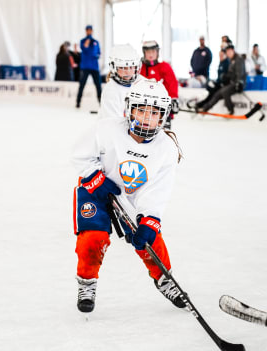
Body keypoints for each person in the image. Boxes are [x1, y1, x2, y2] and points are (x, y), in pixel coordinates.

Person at [71, 79, 184, 313]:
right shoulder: (106, 128)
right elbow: (80, 155)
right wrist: (95, 179)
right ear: (129, 109)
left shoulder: (167, 149)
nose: (147, 117)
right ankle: (87, 283)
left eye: (154, 113)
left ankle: (165, 279)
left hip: (130, 197)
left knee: (150, 238)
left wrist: (149, 219)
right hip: (96, 189)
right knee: (93, 237)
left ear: (163, 116)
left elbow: (157, 191)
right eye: (141, 110)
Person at [97, 44, 143, 120]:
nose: (128, 72)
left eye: (131, 67)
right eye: (123, 68)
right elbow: (113, 123)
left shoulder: (141, 82)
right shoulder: (111, 91)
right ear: (114, 68)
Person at [196, 44, 246, 115]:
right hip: (232, 83)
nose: (228, 54)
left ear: (233, 51)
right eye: (227, 52)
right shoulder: (231, 60)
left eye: (229, 52)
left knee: (224, 91)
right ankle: (205, 108)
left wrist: (239, 82)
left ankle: (230, 110)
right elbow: (231, 74)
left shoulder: (238, 59)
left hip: (238, 84)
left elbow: (240, 72)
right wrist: (225, 76)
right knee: (218, 94)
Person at [140, 40, 179, 129]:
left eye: (153, 51)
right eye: (148, 52)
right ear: (144, 53)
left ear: (157, 52)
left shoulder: (165, 67)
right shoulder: (140, 68)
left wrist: (173, 99)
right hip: (143, 108)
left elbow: (172, 83)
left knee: (164, 134)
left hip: (162, 108)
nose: (151, 54)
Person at [76, 25, 102, 108]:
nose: (89, 31)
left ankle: (101, 102)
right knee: (82, 85)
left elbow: (99, 53)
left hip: (94, 67)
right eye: (87, 30)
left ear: (92, 31)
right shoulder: (83, 41)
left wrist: (96, 56)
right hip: (85, 67)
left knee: (98, 85)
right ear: (86, 31)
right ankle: (78, 102)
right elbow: (84, 48)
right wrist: (86, 43)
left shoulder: (96, 42)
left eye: (90, 30)